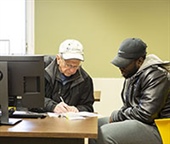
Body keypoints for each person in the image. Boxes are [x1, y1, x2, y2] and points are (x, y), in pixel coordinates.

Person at [89, 38, 170, 144]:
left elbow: (146, 114)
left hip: (158, 128)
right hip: (139, 122)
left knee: (104, 134)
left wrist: (116, 116)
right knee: (93, 127)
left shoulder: (157, 76)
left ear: (139, 61)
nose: (120, 67)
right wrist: (118, 116)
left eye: (124, 63)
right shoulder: (132, 74)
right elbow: (128, 106)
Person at [44, 39, 94, 114]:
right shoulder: (43, 71)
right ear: (58, 59)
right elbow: (32, 100)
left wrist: (77, 109)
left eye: (76, 66)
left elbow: (88, 106)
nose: (72, 70)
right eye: (68, 65)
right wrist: (52, 106)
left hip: (71, 123)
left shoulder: (85, 79)